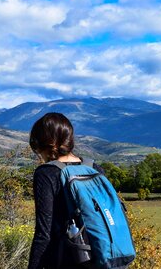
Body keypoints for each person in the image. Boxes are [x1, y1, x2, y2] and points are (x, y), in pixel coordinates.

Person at [27, 112, 104, 269]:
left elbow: (44, 233)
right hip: (102, 258)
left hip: (65, 260)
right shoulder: (94, 168)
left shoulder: (46, 173)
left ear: (43, 144)